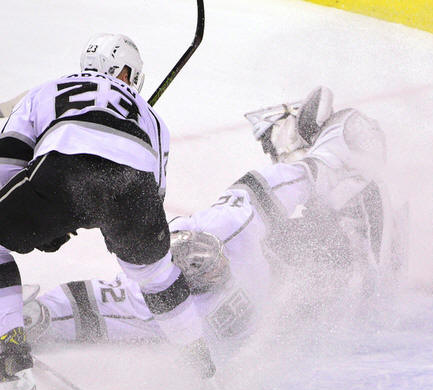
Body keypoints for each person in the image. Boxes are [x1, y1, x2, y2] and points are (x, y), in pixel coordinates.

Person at [22, 87, 406, 370]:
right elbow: (92, 304)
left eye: (205, 262)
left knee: (327, 231)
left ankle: (351, 226)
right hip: (297, 291)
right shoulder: (171, 305)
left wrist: (323, 160)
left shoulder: (227, 228)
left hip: (300, 258)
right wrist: (32, 317)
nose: (208, 270)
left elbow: (274, 184)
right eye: (198, 272)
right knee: (319, 274)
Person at [0, 34, 211, 390]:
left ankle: (10, 345)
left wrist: (38, 219)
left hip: (63, 172)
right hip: (135, 188)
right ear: (126, 72)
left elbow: (7, 161)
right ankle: (203, 368)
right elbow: (156, 194)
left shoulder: (46, 90)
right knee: (157, 276)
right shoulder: (153, 119)